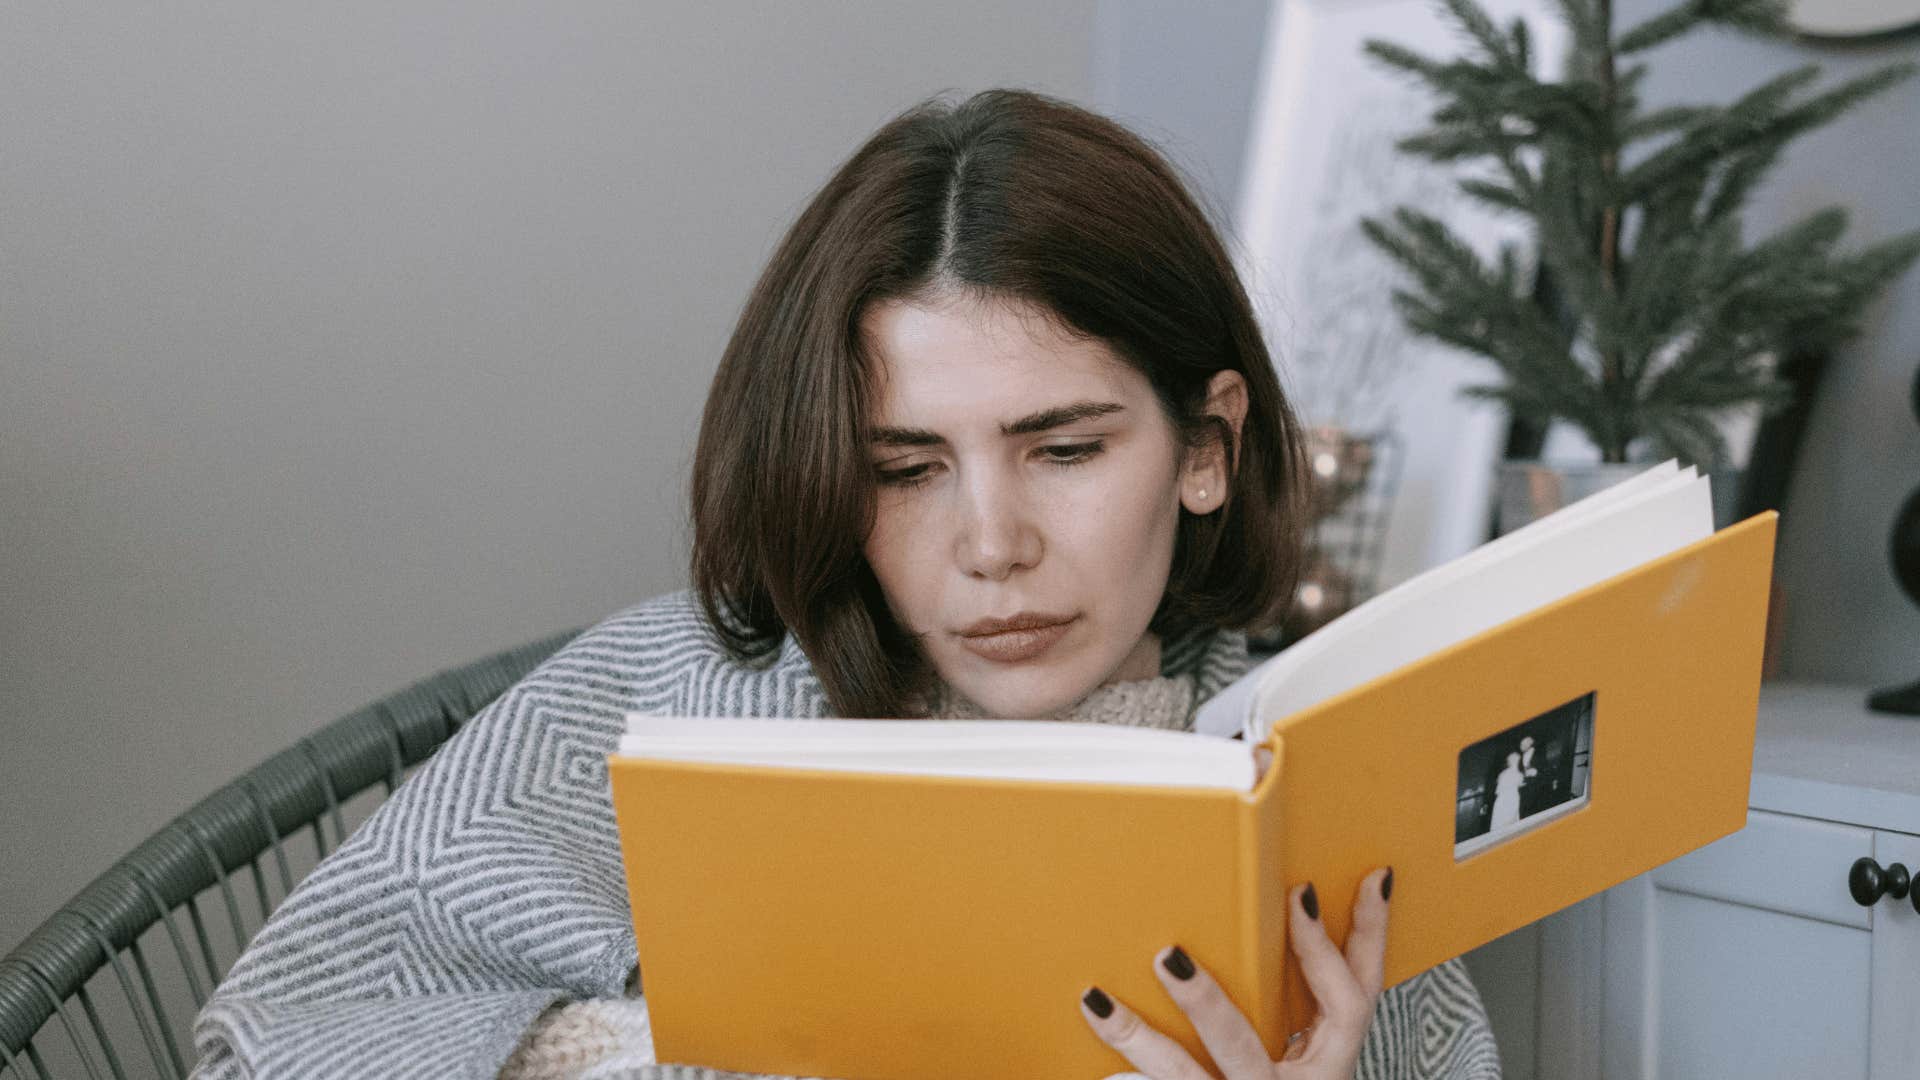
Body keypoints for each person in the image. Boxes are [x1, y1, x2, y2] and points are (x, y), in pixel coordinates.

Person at [190, 88, 1498, 1079]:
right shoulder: (664, 699)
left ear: (1204, 449)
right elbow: (281, 1034)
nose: (992, 543)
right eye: (908, 467)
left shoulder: (1312, 788)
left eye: (1064, 449)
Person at [1490, 751, 1523, 832]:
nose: (1515, 760)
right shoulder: (1516, 774)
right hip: (1506, 799)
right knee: (1505, 822)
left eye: (1516, 758)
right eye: (1513, 758)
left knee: (1508, 822)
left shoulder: (1515, 774)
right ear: (1510, 761)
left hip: (1509, 798)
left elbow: (1498, 790)